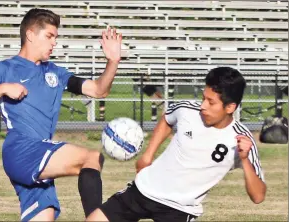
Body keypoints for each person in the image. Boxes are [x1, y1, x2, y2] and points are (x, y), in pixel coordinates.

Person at [0, 8, 122, 221]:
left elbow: (99, 90)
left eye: (56, 37)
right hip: (22, 150)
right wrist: (3, 88)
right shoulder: (5, 69)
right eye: (49, 36)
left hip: (39, 153)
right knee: (91, 157)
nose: (54, 42)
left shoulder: (56, 72)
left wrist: (113, 61)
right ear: (30, 35)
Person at [86, 67, 266, 222]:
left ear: (230, 107)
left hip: (179, 210)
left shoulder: (242, 140)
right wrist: (148, 154)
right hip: (144, 190)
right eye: (204, 98)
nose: (203, 105)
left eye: (211, 102)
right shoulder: (187, 110)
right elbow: (167, 119)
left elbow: (258, 196)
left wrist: (244, 159)